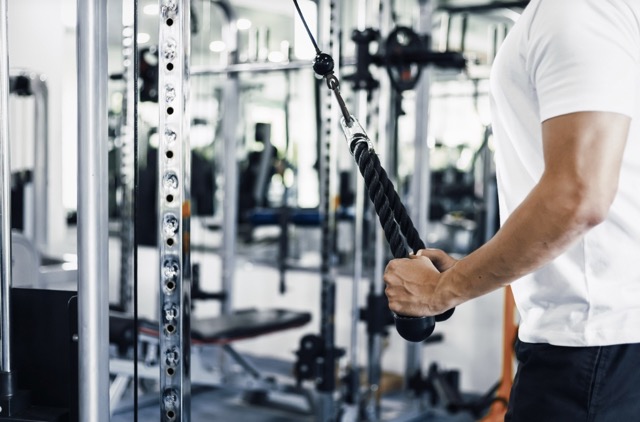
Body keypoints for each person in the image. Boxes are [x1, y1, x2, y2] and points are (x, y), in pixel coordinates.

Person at [383, 0, 640, 420]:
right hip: (604, 346)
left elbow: (579, 197)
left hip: (592, 350)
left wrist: (439, 292)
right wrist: (467, 270)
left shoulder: (577, 8)